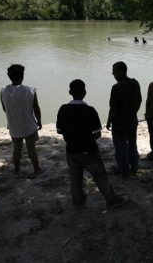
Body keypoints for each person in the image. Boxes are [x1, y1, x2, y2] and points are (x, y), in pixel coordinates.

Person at [56, 79, 128, 208]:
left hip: (71, 150)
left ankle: (78, 201)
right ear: (84, 92)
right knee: (100, 177)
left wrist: (73, 136)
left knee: (75, 179)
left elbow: (59, 131)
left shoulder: (63, 109)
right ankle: (111, 200)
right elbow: (97, 134)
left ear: (70, 92)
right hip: (89, 151)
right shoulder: (90, 110)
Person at [0, 64, 42, 176]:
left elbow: (4, 108)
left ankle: (17, 169)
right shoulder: (31, 90)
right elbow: (36, 108)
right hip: (29, 125)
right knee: (31, 149)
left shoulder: (3, 91)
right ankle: (37, 169)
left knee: (17, 149)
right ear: (22, 76)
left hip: (14, 126)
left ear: (9, 77)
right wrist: (39, 121)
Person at [106, 61, 142, 178]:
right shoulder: (135, 83)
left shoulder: (116, 87)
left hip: (119, 122)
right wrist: (133, 113)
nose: (113, 74)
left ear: (121, 71)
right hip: (132, 120)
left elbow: (113, 107)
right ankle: (134, 167)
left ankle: (123, 170)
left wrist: (108, 121)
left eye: (114, 71)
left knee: (120, 147)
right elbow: (139, 100)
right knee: (132, 144)